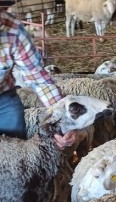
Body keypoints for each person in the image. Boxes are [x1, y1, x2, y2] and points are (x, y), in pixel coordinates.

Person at [0, 11, 75, 148]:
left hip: (3, 99)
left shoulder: (13, 30)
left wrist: (62, 121)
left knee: (16, 152)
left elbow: (39, 80)